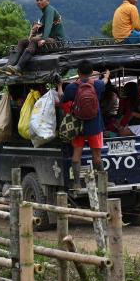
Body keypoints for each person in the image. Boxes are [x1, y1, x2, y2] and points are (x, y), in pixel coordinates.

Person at [57, 60, 109, 189]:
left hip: (78, 125)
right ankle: (102, 183)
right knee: (97, 156)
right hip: (95, 125)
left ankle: (76, 184)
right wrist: (106, 75)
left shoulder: (72, 87)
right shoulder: (97, 84)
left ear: (78, 72)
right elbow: (105, 82)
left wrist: (59, 85)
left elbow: (61, 98)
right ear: (92, 72)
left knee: (76, 155)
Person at [0, 0, 66, 75]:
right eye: (37, 0)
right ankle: (8, 66)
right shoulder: (44, 14)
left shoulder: (49, 9)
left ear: (48, 0)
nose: (39, 2)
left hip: (57, 41)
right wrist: (35, 32)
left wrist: (43, 39)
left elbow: (48, 25)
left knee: (33, 40)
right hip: (50, 39)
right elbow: (43, 29)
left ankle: (19, 67)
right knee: (22, 41)